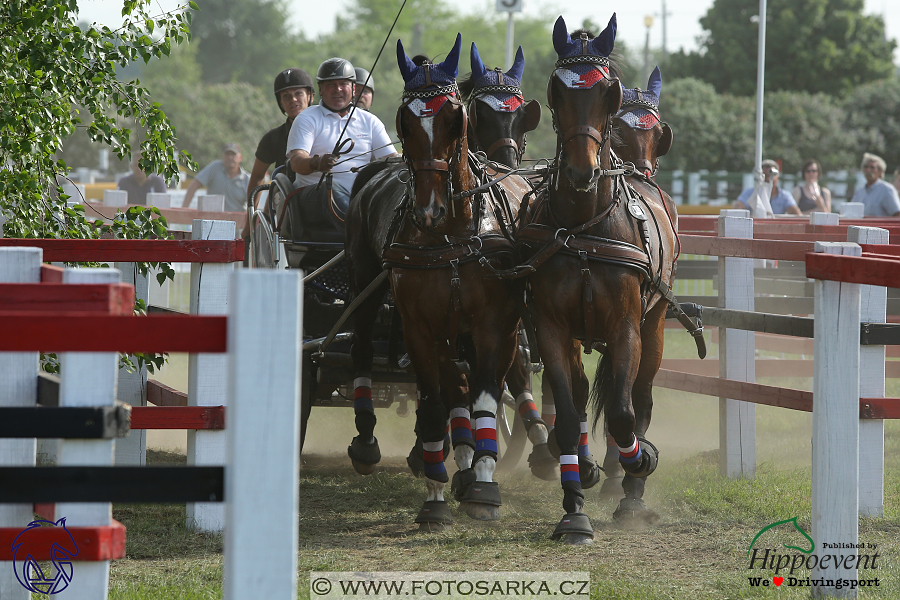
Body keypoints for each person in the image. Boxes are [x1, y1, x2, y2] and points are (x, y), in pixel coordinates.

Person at [286, 57, 398, 231]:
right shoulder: (307, 118)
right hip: (315, 197)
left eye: (343, 84)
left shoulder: (370, 121)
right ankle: (360, 233)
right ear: (321, 90)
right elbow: (297, 161)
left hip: (361, 199)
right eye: (331, 85)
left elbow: (391, 160)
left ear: (353, 89)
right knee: (331, 189)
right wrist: (317, 162)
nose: (337, 89)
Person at [246, 68, 315, 200]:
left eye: (299, 93)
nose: (293, 99)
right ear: (281, 103)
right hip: (287, 206)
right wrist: (251, 218)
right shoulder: (273, 138)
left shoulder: (328, 129)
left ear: (310, 96)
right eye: (286, 96)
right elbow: (257, 177)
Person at [181, 143, 251, 212]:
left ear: (240, 157)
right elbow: (194, 185)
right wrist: (184, 209)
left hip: (237, 221)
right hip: (213, 219)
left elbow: (253, 203)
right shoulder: (215, 168)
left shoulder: (247, 179)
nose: (230, 157)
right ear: (223, 156)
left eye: (233, 154)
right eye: (227, 154)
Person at [733, 159, 802, 216]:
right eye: (765, 175)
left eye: (771, 176)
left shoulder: (784, 196)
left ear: (777, 177)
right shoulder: (750, 192)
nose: (768, 179)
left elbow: (796, 214)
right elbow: (737, 208)